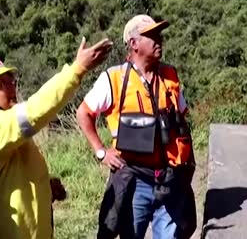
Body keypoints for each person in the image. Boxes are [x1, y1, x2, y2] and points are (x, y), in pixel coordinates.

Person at [0, 37, 113, 239]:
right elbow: (34, 112)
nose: (12, 86)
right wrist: (76, 70)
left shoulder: (4, 122)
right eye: (3, 83)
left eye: (11, 79)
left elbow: (12, 174)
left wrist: (44, 187)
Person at [76, 14, 197, 239]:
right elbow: (83, 112)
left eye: (159, 35)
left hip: (169, 178)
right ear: (133, 44)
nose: (159, 40)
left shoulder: (170, 75)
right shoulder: (114, 78)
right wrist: (101, 152)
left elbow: (181, 116)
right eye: (151, 36)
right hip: (135, 180)